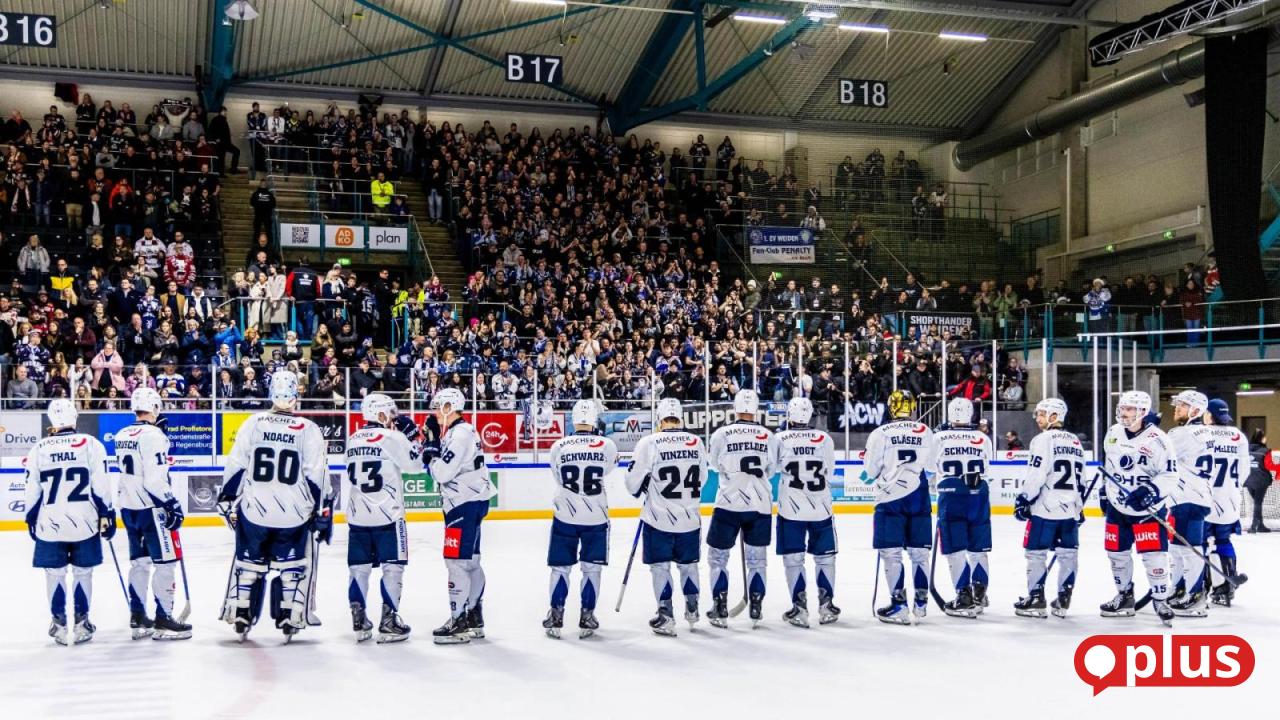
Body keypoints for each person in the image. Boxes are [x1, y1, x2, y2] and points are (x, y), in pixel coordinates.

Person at [217, 371, 330, 642]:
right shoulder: (308, 429)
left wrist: (226, 499)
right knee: (292, 566)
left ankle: (242, 610)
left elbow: (236, 465)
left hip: (255, 509)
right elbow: (317, 475)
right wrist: (321, 510)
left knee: (248, 564)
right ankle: (290, 613)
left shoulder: (253, 422)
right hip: (293, 512)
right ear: (296, 395)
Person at [23, 398, 113, 645]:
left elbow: (31, 490)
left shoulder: (38, 448)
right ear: (75, 417)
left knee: (54, 573)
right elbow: (101, 485)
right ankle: (82, 624)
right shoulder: (91, 445)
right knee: (84, 573)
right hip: (85, 520)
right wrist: (107, 513)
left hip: (49, 523)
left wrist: (31, 518)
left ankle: (60, 624)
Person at [624, 398, 707, 636]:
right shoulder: (696, 442)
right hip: (690, 518)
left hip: (658, 519)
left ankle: (666, 614)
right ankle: (692, 610)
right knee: (688, 565)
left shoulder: (650, 442)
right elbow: (701, 479)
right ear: (680, 417)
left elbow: (632, 484)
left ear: (659, 419)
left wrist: (645, 484)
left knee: (660, 567)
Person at [345, 393, 424, 643]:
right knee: (393, 567)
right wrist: (413, 439)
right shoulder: (392, 437)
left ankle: (359, 620)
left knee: (358, 569)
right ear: (379, 415)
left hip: (358, 516)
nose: (393, 419)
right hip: (388, 516)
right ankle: (388, 622)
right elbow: (415, 466)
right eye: (390, 414)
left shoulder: (352, 438)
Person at [114, 387, 191, 640]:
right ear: (155, 407)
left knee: (140, 563)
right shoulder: (154, 435)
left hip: (128, 507)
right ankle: (163, 619)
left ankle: (138, 617)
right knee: (166, 563)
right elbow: (155, 480)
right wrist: (172, 505)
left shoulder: (122, 433)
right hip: (152, 507)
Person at [1099, 390, 1178, 626]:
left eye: (1130, 409)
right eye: (1122, 408)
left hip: (1147, 511)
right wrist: (1105, 493)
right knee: (1116, 555)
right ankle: (1124, 596)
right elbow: (1110, 467)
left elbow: (1170, 474)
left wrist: (1150, 492)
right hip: (1118, 507)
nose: (1124, 413)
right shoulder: (1113, 433)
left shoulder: (1158, 439)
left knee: (1153, 556)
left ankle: (1161, 599)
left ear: (1143, 412)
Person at [543, 400, 617, 639]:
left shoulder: (559, 445)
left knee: (560, 568)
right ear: (595, 419)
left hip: (565, 514)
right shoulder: (606, 444)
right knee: (592, 568)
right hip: (596, 516)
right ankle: (587, 615)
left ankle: (556, 615)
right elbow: (607, 469)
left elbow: (557, 476)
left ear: (574, 419)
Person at [428, 388, 495, 644]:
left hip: (462, 501)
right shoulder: (463, 431)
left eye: (438, 407)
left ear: (449, 407)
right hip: (473, 498)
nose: (435, 413)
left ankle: (459, 622)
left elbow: (442, 473)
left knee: (455, 562)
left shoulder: (458, 435)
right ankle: (474, 617)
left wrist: (431, 454)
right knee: (472, 561)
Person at [864, 389, 935, 624]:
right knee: (919, 552)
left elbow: (871, 471)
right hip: (919, 494)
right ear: (913, 406)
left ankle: (899, 605)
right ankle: (922, 604)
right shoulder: (925, 431)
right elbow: (933, 466)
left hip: (889, 497)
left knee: (891, 553)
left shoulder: (880, 433)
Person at [704, 389, 774, 627]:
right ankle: (756, 606)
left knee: (717, 558)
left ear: (735, 408)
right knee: (758, 559)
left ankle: (719, 607)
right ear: (756, 409)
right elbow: (771, 470)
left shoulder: (721, 433)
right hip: (760, 505)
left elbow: (713, 464)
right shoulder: (767, 435)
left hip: (729, 503)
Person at [1013, 398, 1085, 619]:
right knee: (1068, 554)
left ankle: (1036, 598)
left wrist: (1024, 499)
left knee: (1035, 554)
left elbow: (1037, 473)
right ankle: (1064, 599)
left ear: (1055, 416)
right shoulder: (1075, 441)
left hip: (1045, 507)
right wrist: (1079, 506)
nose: (1038, 418)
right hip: (1070, 508)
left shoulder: (1043, 439)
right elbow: (1081, 478)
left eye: (1043, 414)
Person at [771, 396, 839, 627]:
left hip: (791, 509)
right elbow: (829, 471)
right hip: (821, 508)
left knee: (793, 559)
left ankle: (799, 608)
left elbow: (771, 469)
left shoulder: (780, 438)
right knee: (825, 558)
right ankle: (826, 605)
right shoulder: (824, 439)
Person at [930, 397, 993, 618]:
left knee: (955, 550)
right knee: (978, 549)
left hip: (951, 495)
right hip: (978, 496)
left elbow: (929, 467)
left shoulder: (938, 437)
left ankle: (964, 596)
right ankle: (979, 593)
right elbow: (987, 466)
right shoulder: (982, 438)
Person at [1164, 391, 1215, 617]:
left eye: (1182, 406)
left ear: (1195, 410)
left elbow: (1159, 454)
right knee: (1177, 548)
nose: (1177, 409)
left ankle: (1196, 597)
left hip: (1188, 499)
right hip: (1191, 498)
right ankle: (1179, 589)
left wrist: (1150, 433)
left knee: (1189, 549)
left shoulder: (1183, 433)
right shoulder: (1207, 432)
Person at [1202, 398, 1252, 607]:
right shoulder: (1237, 436)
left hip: (1205, 498)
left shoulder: (1202, 434)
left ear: (1210, 414)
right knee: (1224, 541)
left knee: (1200, 543)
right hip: (1230, 499)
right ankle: (1226, 589)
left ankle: (1200, 587)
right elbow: (1244, 471)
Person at [1245, 429, 1275, 533]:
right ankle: (1254, 525)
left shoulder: (1245, 449)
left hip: (1248, 480)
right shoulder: (1265, 451)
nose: (1265, 438)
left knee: (1257, 502)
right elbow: (1269, 465)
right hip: (1261, 480)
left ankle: (1260, 525)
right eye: (1264, 437)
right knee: (1258, 503)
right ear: (1260, 439)